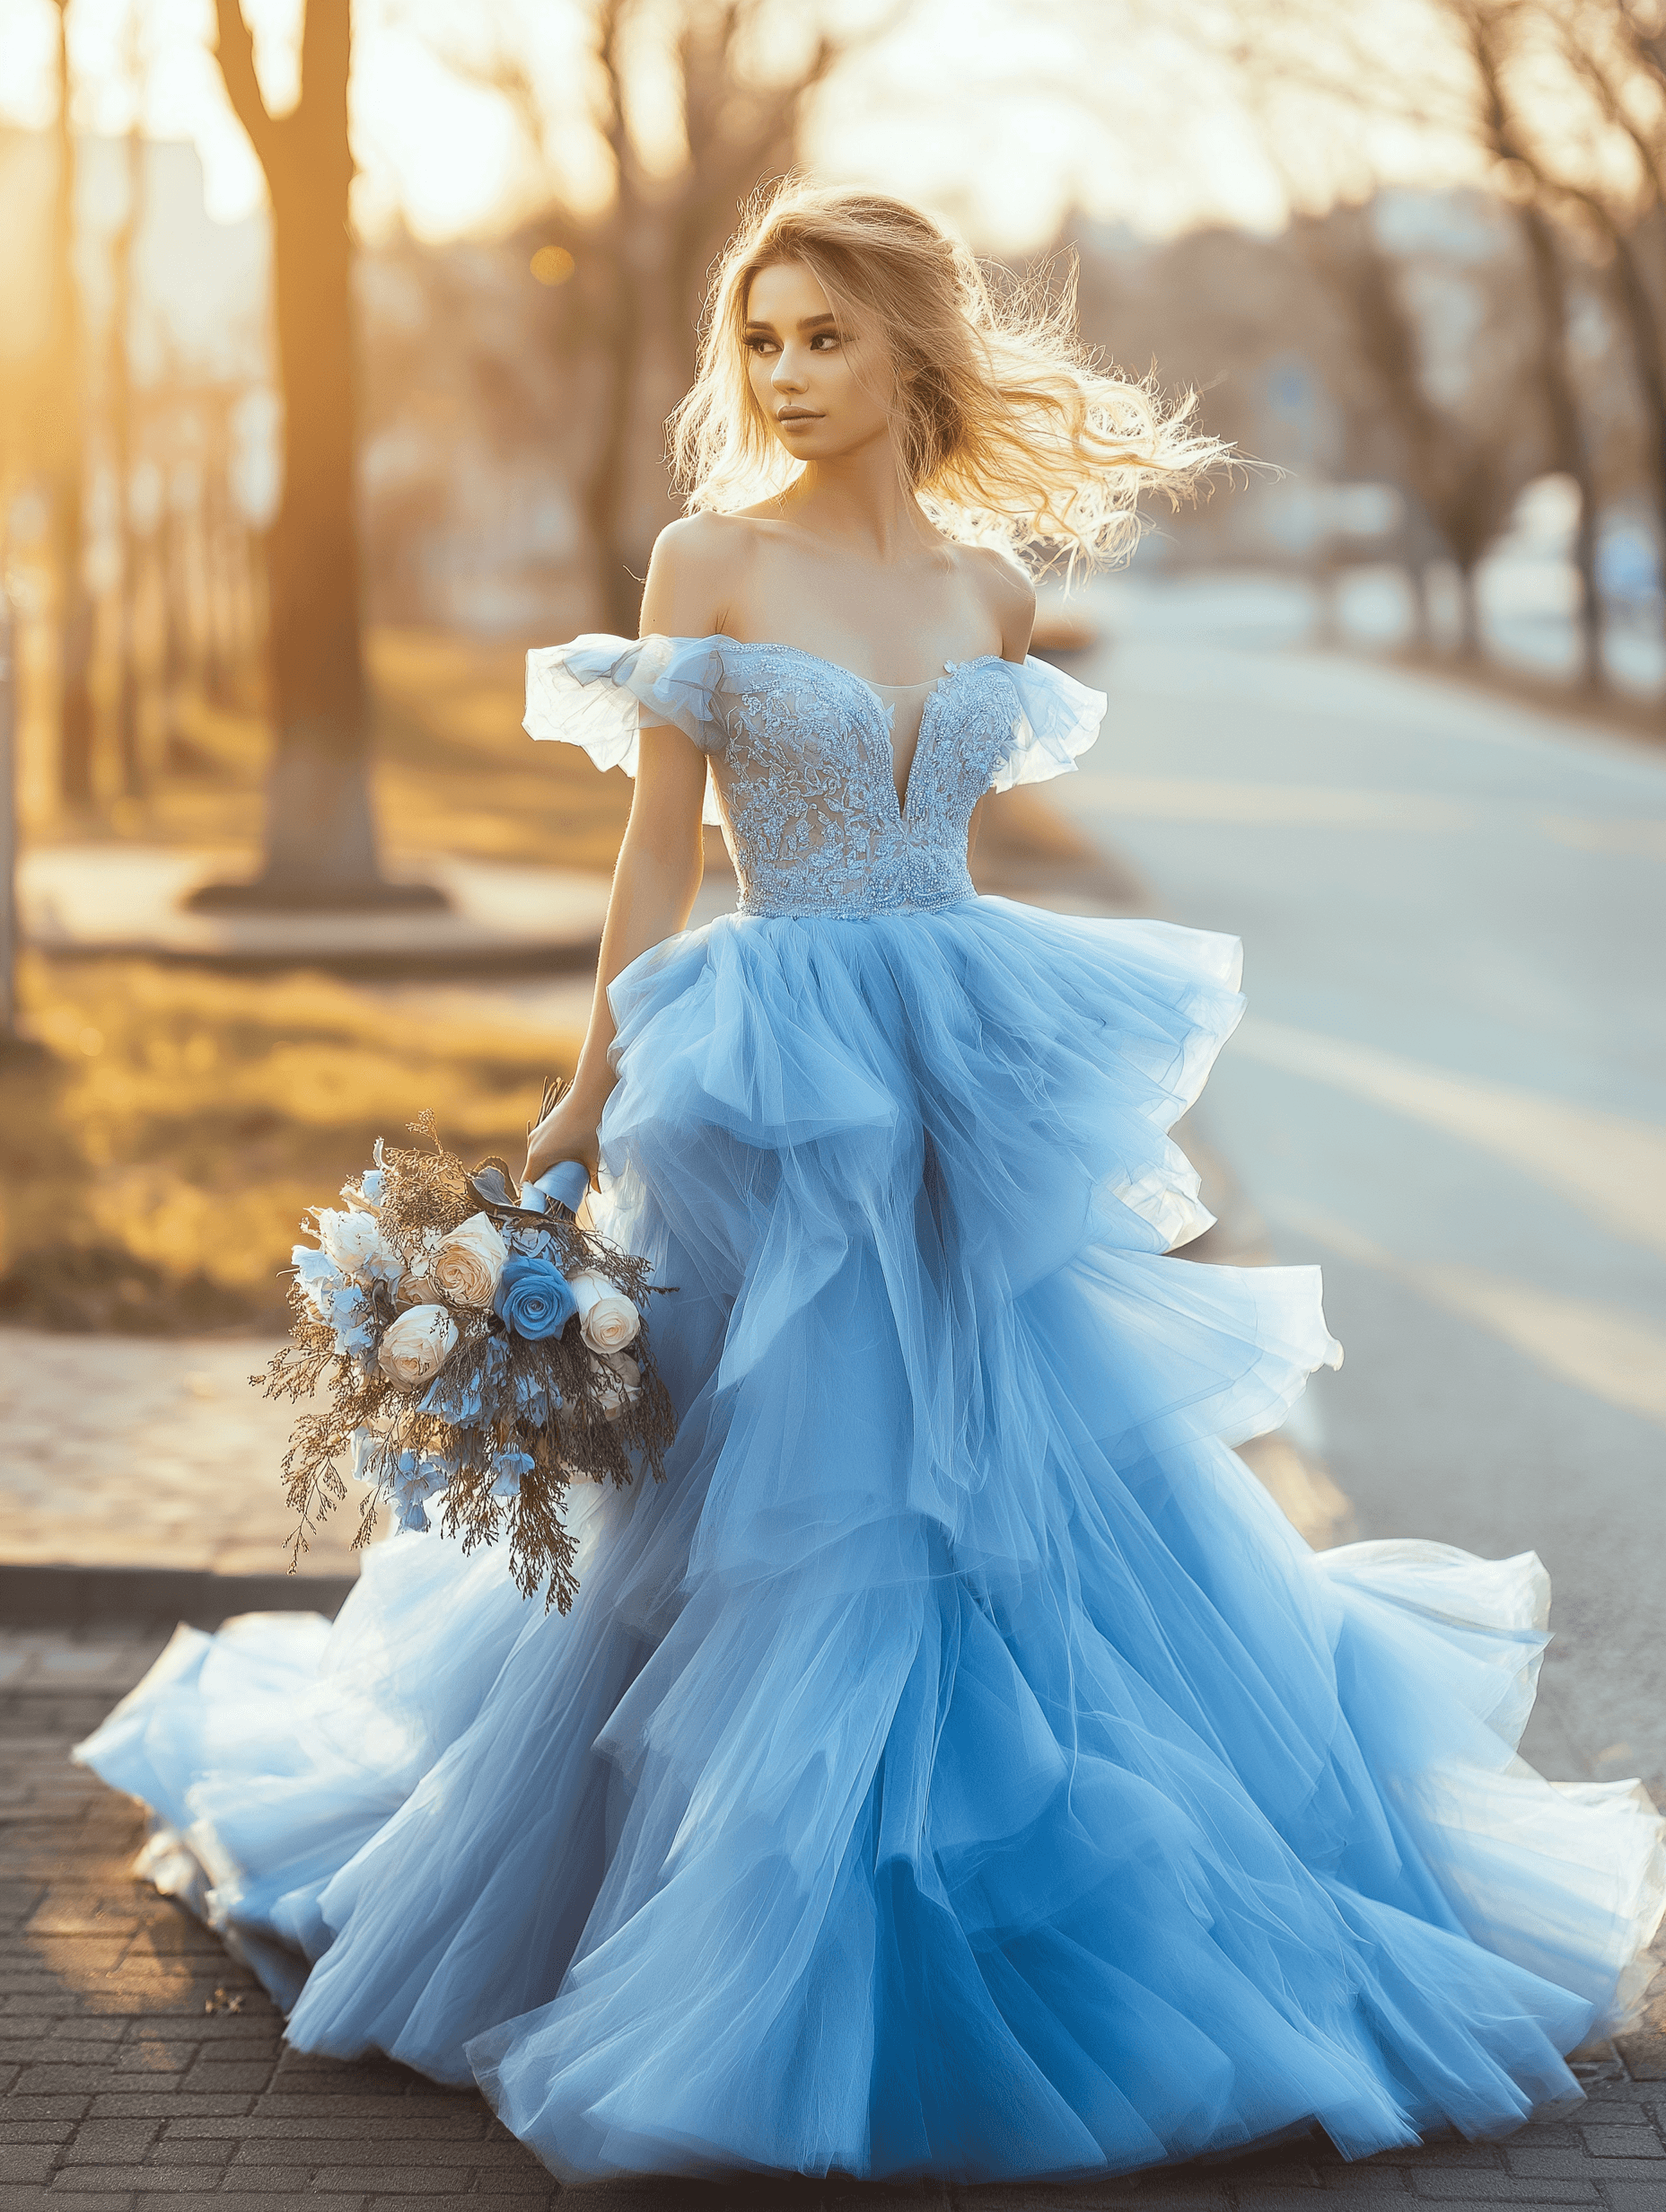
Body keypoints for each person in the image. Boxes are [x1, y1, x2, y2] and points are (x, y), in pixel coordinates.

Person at [77, 182, 1664, 2185]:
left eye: (824, 335)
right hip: (773, 1067)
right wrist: (585, 1085)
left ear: (915, 346)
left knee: (1025, 1465)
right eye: (761, 339)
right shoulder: (706, 556)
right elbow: (657, 850)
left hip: (972, 1050)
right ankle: (724, 1915)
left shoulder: (993, 588)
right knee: (789, 1487)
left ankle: (1045, 1881)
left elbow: (975, 822)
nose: (785, 373)